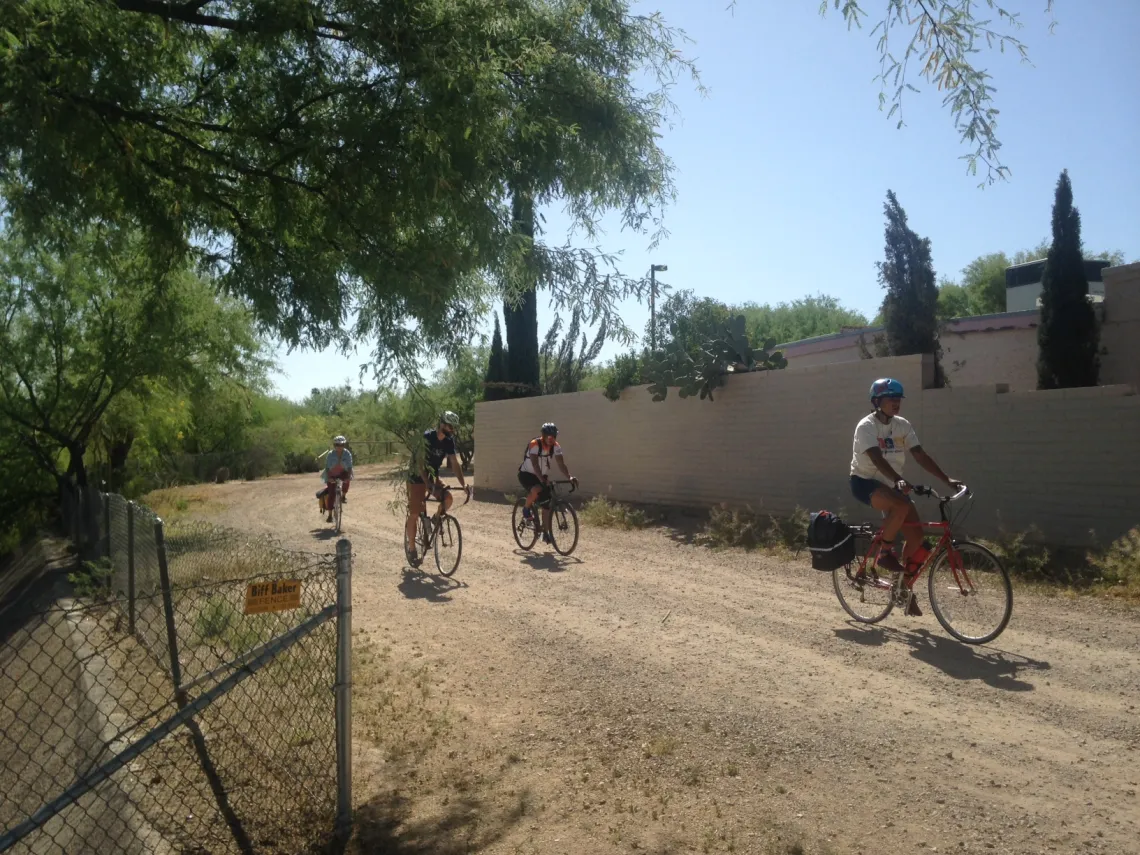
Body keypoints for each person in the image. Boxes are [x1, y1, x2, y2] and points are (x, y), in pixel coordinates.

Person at [849, 378, 962, 617]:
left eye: (898, 398)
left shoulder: (902, 425)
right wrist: (898, 480)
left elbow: (919, 454)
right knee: (900, 506)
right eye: (890, 398)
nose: (896, 403)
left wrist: (946, 479)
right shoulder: (866, 426)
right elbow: (876, 458)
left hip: (892, 485)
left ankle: (903, 589)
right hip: (864, 482)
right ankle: (884, 553)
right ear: (877, 401)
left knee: (918, 540)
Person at [405, 411, 471, 562]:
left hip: (431, 476)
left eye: (453, 428)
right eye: (450, 427)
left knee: (447, 499)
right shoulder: (427, 438)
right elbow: (420, 463)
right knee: (415, 513)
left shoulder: (449, 441)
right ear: (442, 424)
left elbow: (454, 463)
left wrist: (464, 484)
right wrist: (427, 483)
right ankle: (412, 549)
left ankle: (435, 519)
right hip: (416, 476)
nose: (452, 430)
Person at [517, 422, 577, 544]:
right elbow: (534, 464)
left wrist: (569, 477)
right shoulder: (534, 444)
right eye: (549, 437)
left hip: (541, 476)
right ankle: (526, 509)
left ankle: (545, 533)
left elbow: (561, 464)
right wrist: (542, 480)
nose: (551, 439)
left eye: (553, 437)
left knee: (547, 506)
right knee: (536, 489)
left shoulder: (556, 446)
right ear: (543, 436)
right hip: (526, 474)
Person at [319, 435, 353, 523]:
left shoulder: (347, 454)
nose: (339, 447)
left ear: (344, 445)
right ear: (335, 445)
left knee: (347, 482)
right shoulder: (330, 454)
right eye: (337, 445)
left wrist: (348, 476)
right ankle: (330, 515)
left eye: (342, 445)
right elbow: (327, 468)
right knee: (331, 494)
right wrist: (329, 478)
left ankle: (343, 496)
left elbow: (349, 466)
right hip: (332, 474)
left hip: (343, 472)